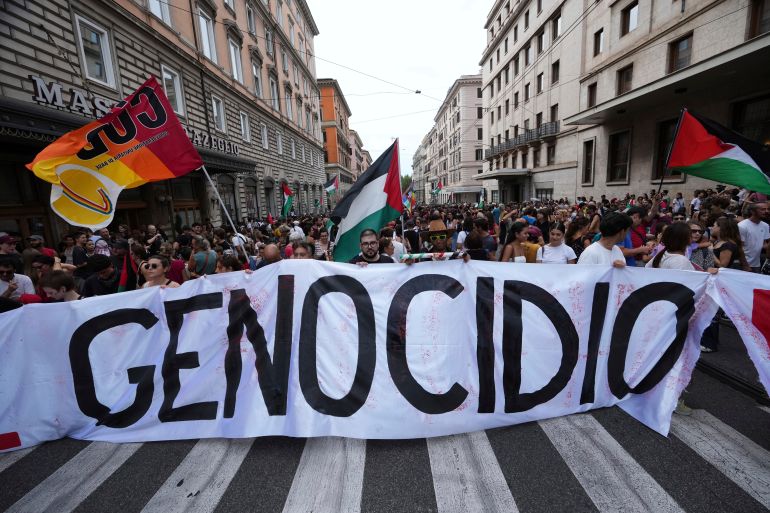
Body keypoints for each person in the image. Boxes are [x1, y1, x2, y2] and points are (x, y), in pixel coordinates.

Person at [738, 202, 769, 272]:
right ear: (752, 211)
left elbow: (764, 245)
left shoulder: (765, 226)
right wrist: (745, 265)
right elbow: (739, 247)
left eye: (768, 209)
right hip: (743, 264)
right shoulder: (742, 226)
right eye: (762, 209)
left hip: (756, 264)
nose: (766, 211)